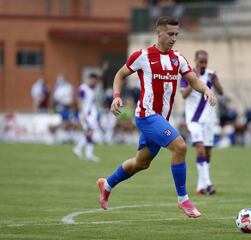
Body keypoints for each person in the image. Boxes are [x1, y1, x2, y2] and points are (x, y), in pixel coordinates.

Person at [96, 16, 217, 218]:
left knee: (140, 163)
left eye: (177, 34)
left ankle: (106, 184)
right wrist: (116, 97)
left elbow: (193, 80)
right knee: (180, 146)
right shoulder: (142, 56)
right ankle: (183, 199)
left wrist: (206, 90)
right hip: (146, 115)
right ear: (158, 32)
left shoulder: (178, 58)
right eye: (170, 34)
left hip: (161, 119)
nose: (174, 38)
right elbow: (119, 75)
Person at [180, 50, 223, 196]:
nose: (203, 64)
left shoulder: (211, 75)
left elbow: (221, 92)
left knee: (208, 153)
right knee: (200, 149)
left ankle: (201, 186)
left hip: (209, 120)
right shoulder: (188, 74)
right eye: (201, 61)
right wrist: (194, 80)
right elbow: (183, 95)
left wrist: (216, 81)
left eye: (205, 61)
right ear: (196, 61)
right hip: (194, 119)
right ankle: (209, 184)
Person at [73, 73, 101, 162]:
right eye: (93, 80)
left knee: (90, 133)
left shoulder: (92, 89)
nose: (94, 82)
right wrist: (82, 114)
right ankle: (81, 150)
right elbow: (79, 101)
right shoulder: (83, 88)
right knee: (89, 132)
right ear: (89, 79)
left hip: (90, 115)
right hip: (85, 115)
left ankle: (86, 153)